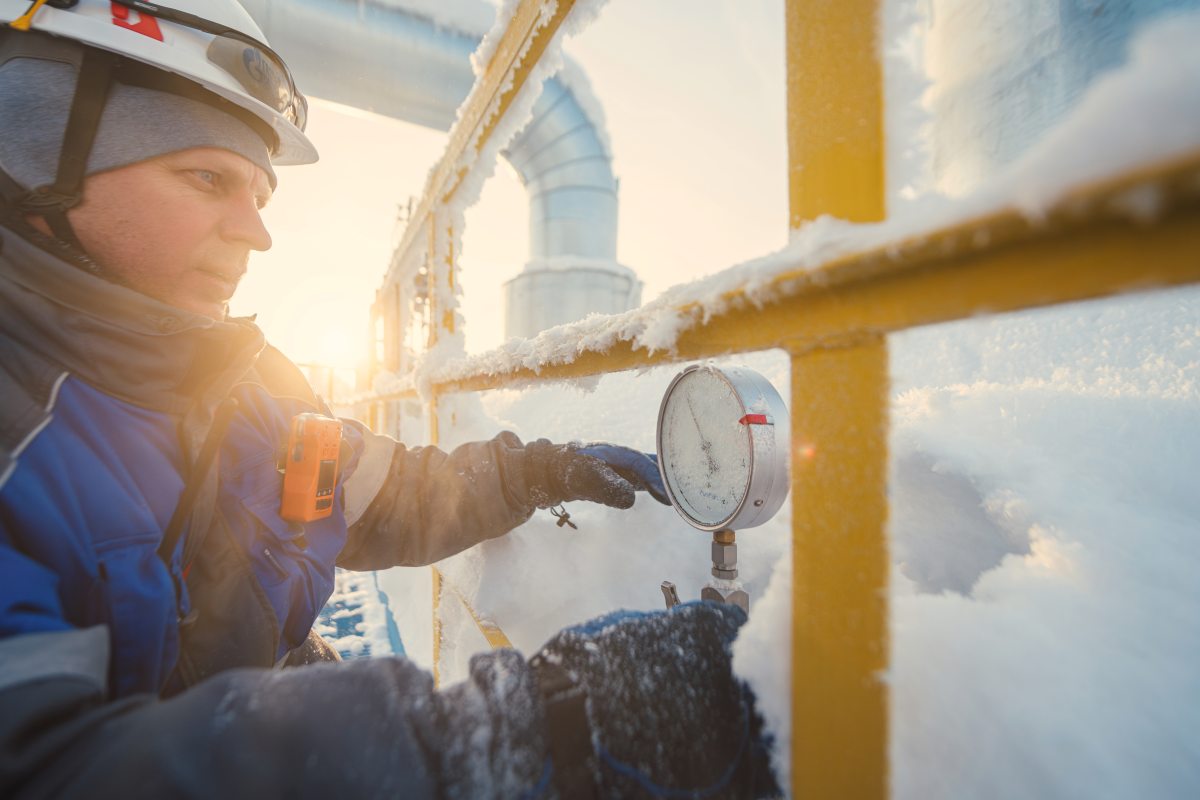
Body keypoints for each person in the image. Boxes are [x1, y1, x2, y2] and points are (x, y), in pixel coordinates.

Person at [0, 1, 779, 798]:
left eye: (261, 196)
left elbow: (380, 497)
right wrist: (513, 737)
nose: (257, 232)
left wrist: (537, 474)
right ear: (40, 151)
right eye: (208, 179)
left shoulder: (247, 384)